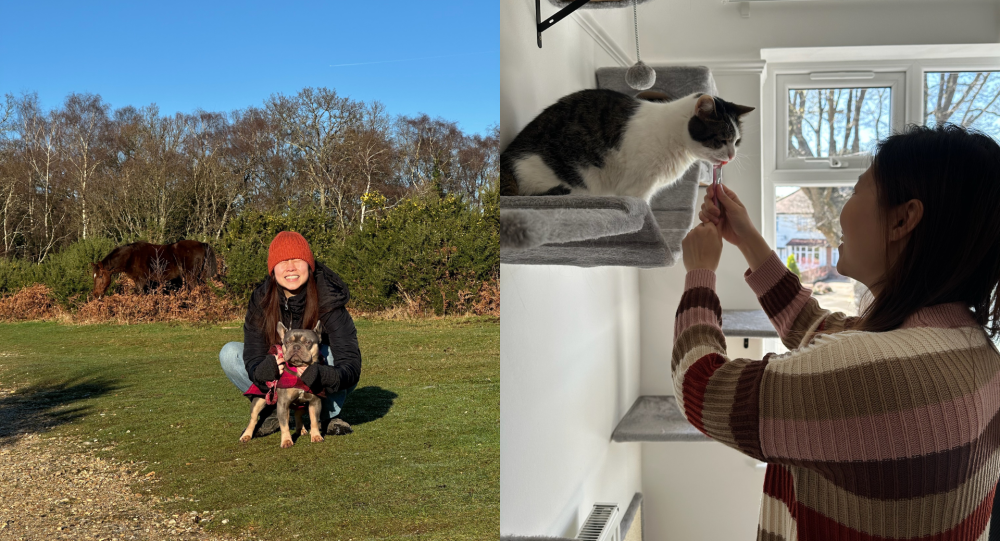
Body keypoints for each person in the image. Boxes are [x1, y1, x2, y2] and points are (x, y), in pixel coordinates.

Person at [677, 123, 1000, 540]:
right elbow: (817, 327)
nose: (842, 211)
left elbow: (701, 387)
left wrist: (699, 273)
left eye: (855, 190)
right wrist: (748, 239)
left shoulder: (868, 375)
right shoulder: (974, 352)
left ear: (904, 218)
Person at [220, 231, 361, 437]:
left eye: (297, 260)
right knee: (230, 353)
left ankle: (327, 415)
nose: (290, 268)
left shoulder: (329, 297)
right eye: (283, 261)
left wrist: (322, 374)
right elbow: (252, 354)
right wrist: (262, 371)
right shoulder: (261, 299)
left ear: (309, 265)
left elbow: (351, 365)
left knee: (329, 353)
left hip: (317, 374)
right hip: (281, 379)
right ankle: (273, 409)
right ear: (273, 269)